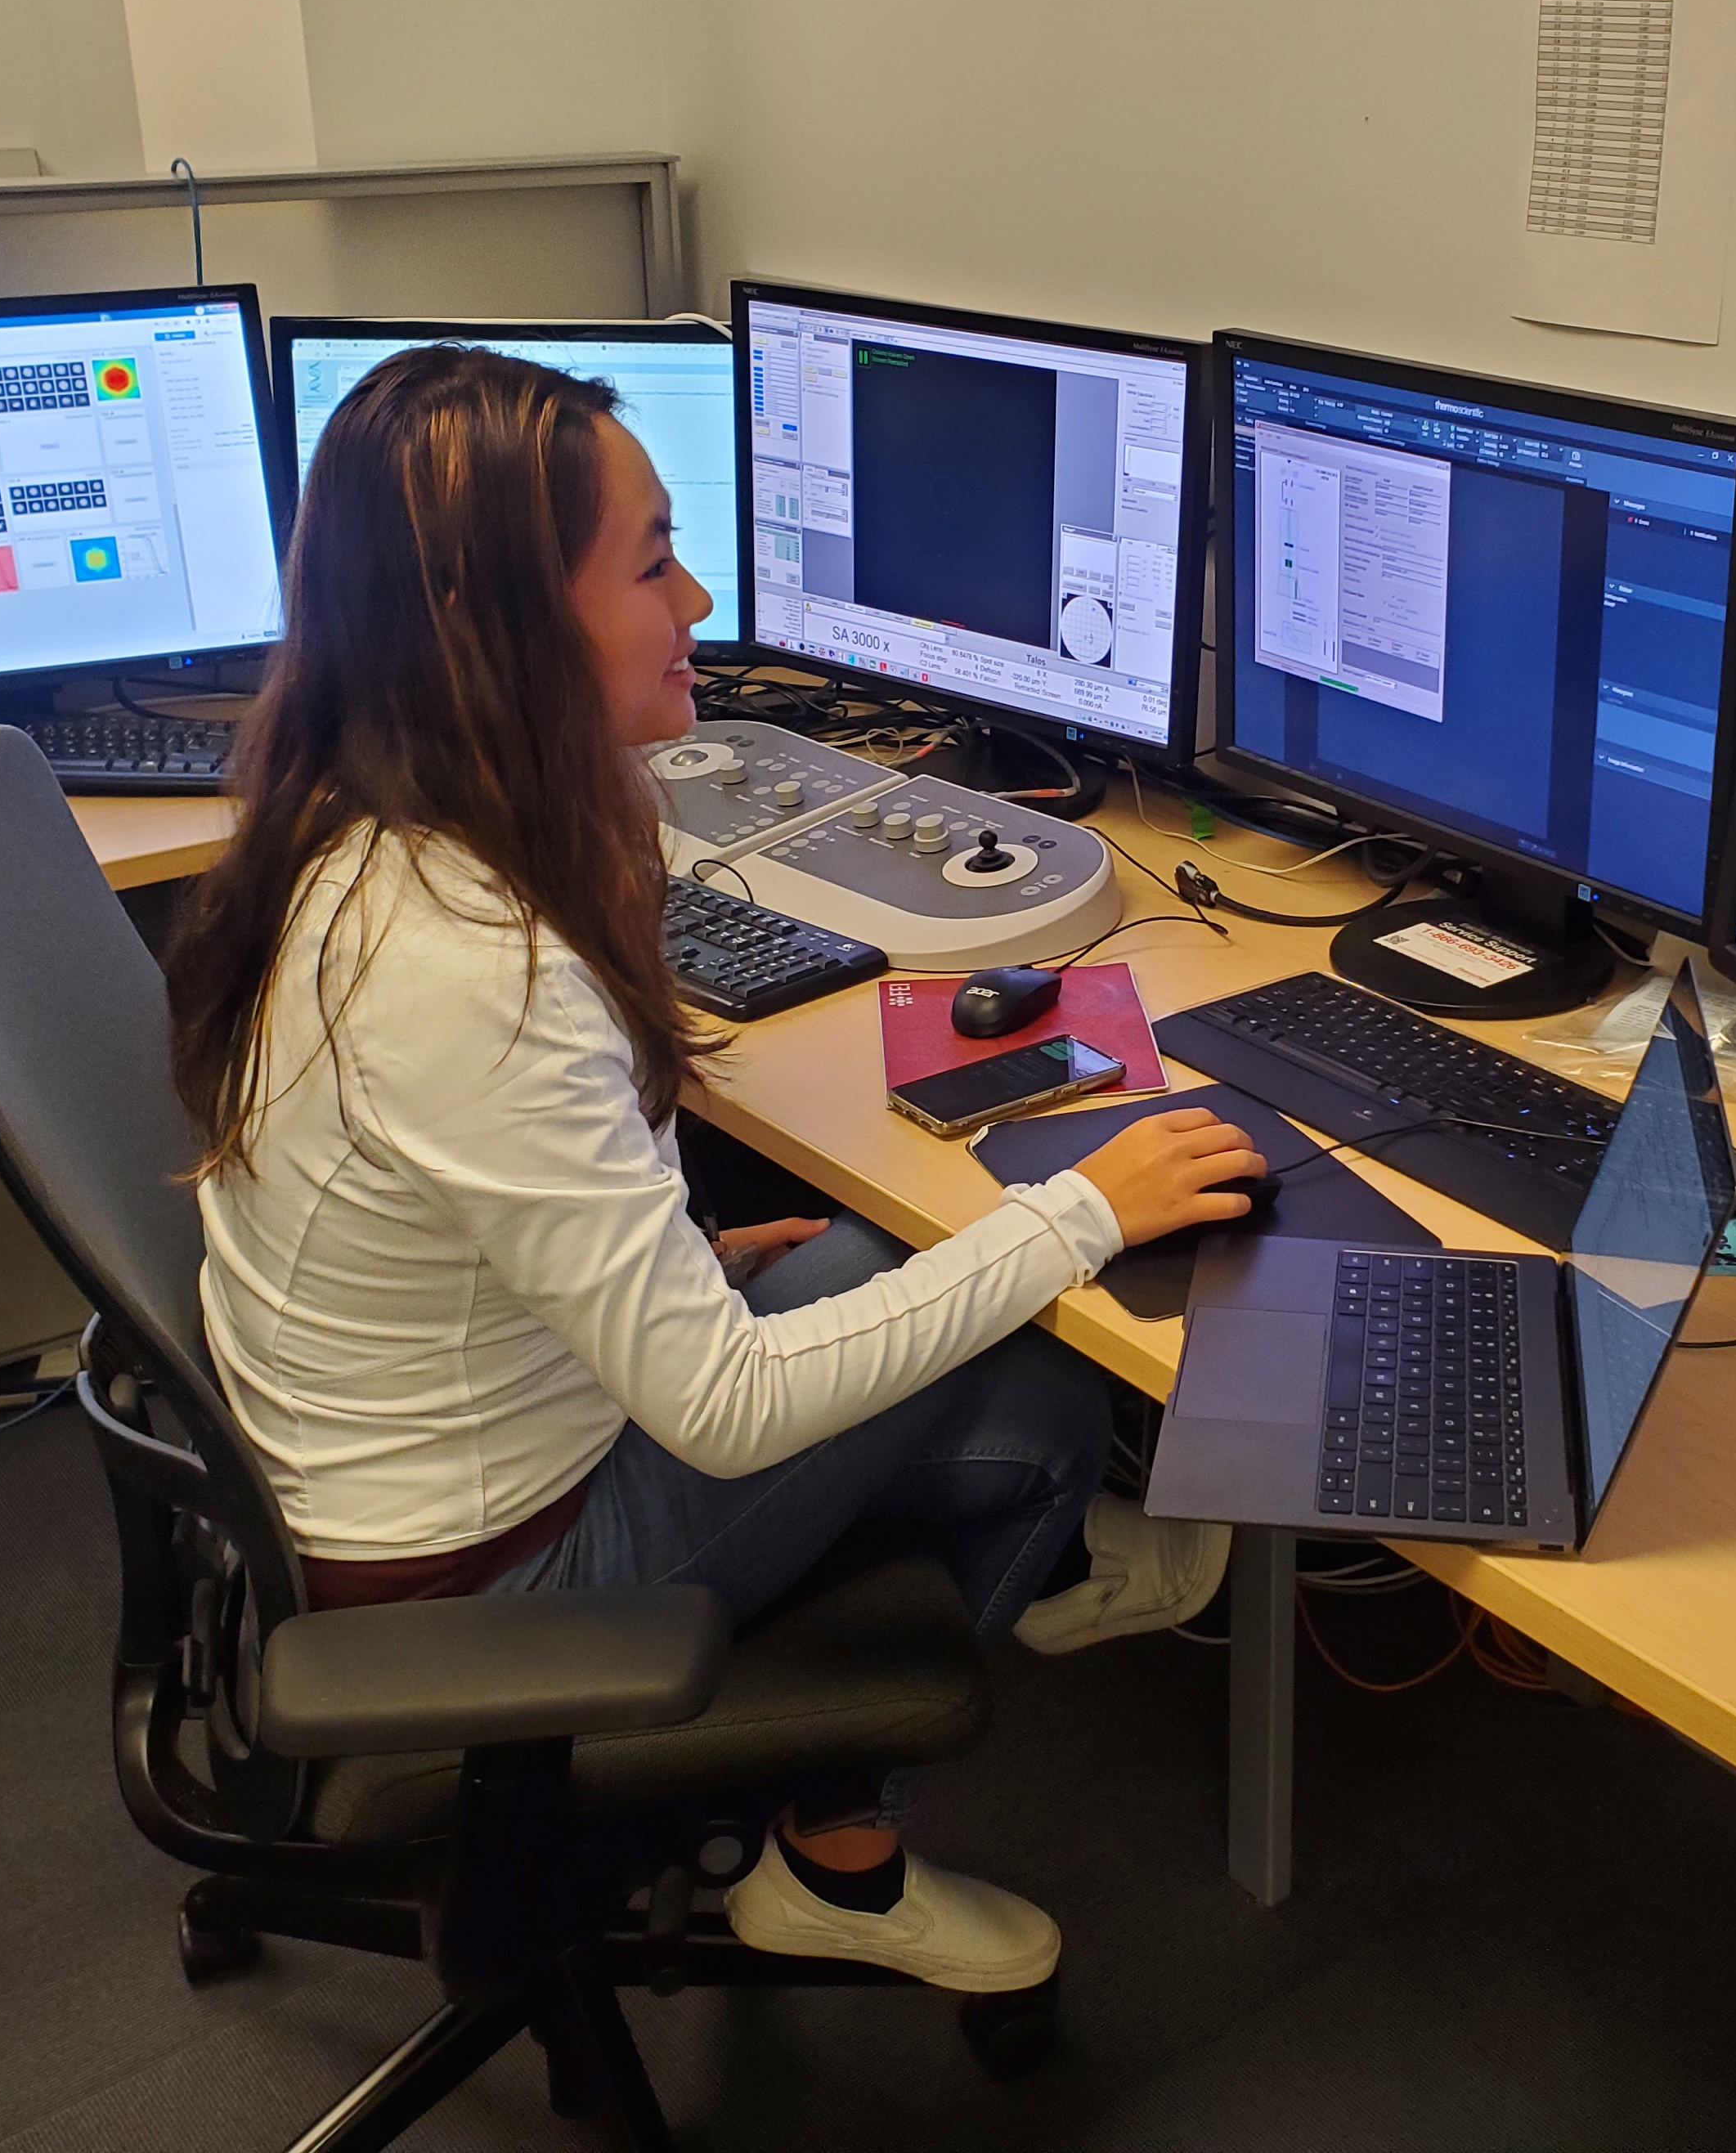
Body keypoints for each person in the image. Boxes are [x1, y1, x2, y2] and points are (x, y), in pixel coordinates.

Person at [164, 344, 1262, 1992]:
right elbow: (722, 1413)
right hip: (480, 1568)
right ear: (497, 629)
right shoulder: (473, 965)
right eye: (651, 560)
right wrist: (1086, 1211)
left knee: (873, 1269)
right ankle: (836, 1855)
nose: (694, 599)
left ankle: (852, 1797)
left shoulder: (361, 813)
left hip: (396, 1450)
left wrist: (698, 1264)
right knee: (1038, 1414)